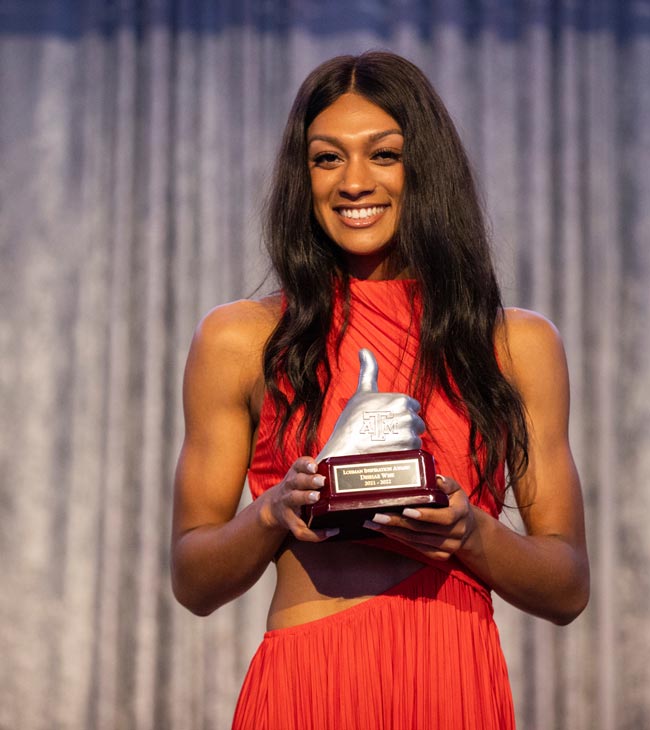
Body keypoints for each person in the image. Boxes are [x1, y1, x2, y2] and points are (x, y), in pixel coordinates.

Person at [171, 51, 589, 730]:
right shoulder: (240, 339)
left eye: (383, 154)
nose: (353, 182)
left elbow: (567, 585)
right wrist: (273, 512)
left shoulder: (517, 344)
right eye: (327, 158)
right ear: (302, 178)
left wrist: (469, 532)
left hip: (452, 682)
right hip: (309, 684)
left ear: (424, 167)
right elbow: (192, 578)